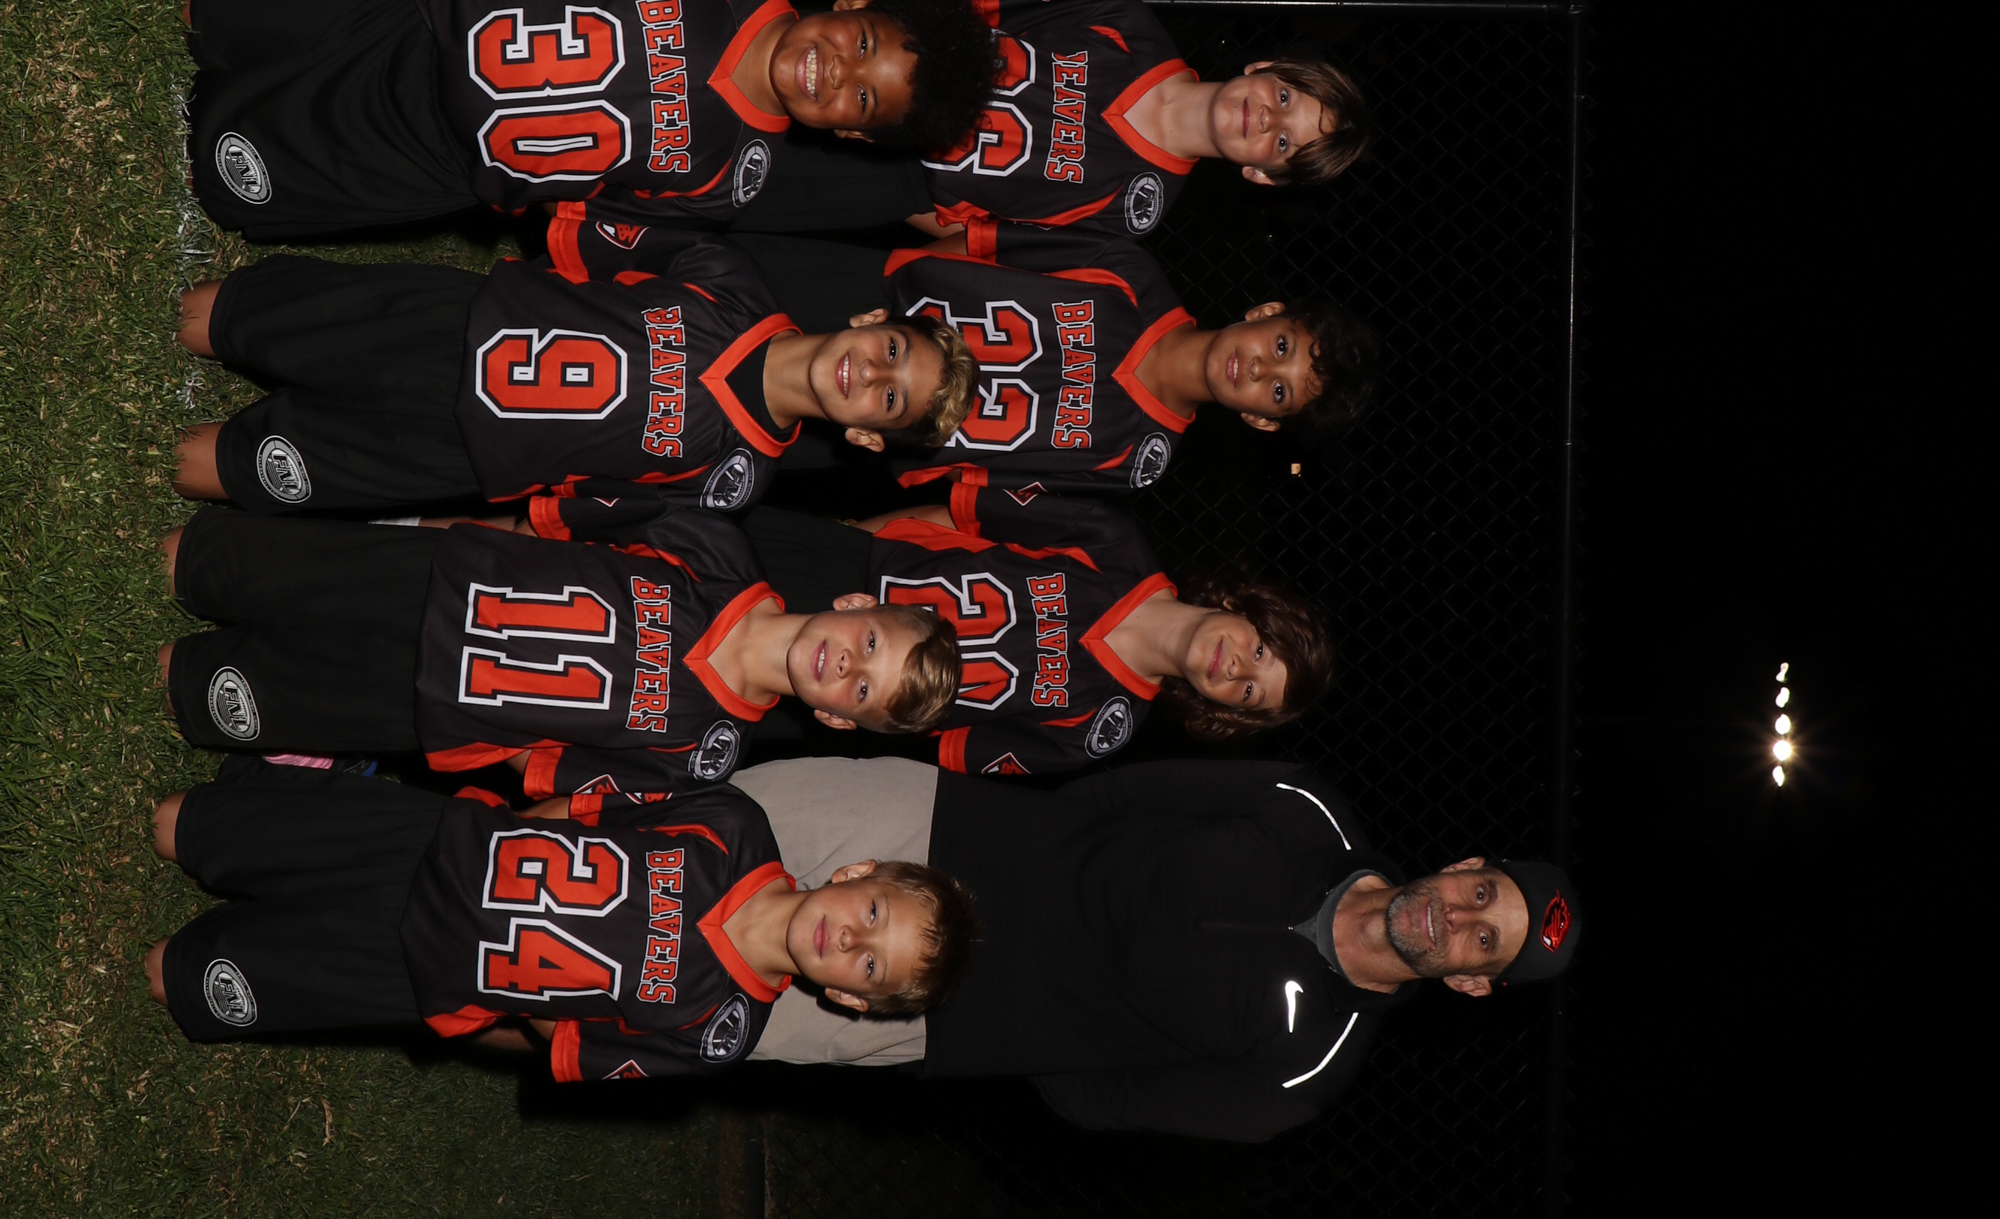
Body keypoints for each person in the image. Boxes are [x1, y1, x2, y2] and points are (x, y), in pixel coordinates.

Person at [723, 755, 1580, 1142]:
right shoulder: (1303, 808)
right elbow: (1126, 793)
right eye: (1480, 894)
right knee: (707, 825)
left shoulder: (1301, 1075)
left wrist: (1015, 1020)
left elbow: (1100, 1102)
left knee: (697, 1002)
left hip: (917, 1009)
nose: (1457, 919)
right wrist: (1031, 849)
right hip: (937, 833)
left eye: (1484, 941)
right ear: (1463, 868)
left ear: (1472, 983)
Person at [185, 0, 998, 242]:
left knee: (215, 180)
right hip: (414, 6)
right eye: (863, 45)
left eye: (863, 100)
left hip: (426, 158)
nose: (836, 73)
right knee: (201, 2)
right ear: (857, 2)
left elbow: (579, 207)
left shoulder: (732, 178)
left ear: (853, 136)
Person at [143, 762, 978, 1074]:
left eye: (871, 964)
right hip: (430, 849)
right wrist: (503, 849)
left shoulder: (720, 1031)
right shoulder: (735, 823)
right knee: (174, 825)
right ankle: (286, 785)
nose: (852, 938)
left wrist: (504, 987)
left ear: (851, 1000)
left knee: (169, 976)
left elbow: (566, 1044)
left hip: (423, 973)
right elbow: (584, 807)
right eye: (874, 912)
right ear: (857, 872)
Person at [159, 500, 960, 788]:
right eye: (869, 641)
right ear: (856, 603)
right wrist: (418, 534)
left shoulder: (702, 754)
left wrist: (474, 725)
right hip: (421, 578)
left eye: (861, 689)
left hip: (415, 705)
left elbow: (542, 766)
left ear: (837, 720)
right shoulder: (716, 548)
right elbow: (542, 527)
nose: (847, 664)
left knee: (179, 686)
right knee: (190, 562)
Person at [169, 244, 977, 525]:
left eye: (890, 397)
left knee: (205, 464)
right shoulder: (728, 276)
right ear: (874, 317)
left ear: (866, 435)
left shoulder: (734, 478)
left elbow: (581, 507)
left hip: (450, 451)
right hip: (450, 323)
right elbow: (583, 241)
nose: (872, 372)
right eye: (892, 349)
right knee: (206, 317)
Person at [558, 221, 1379, 492]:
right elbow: (977, 242)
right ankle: (548, 276)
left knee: (641, 432)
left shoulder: (1136, 460)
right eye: (1280, 348)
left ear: (1261, 422)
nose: (1259, 370)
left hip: (858, 426)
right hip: (864, 307)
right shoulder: (1129, 276)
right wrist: (882, 286)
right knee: (652, 304)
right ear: (1265, 314)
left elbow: (979, 489)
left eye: (1278, 392)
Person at [745, 487, 1335, 776]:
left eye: (1249, 691)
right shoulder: (1113, 541)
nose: (1238, 667)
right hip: (847, 574)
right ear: (1243, 607)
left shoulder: (1100, 728)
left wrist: (848, 712)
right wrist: (843, 540)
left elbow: (941, 746)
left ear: (1225, 710)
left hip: (830, 694)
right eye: (1261, 649)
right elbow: (960, 517)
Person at [900, 0, 1369, 237]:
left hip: (897, 177)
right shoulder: (1126, 22)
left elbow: (976, 237)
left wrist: (887, 192)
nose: (1268, 118)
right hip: (892, 63)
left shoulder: (1133, 211)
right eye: (1284, 98)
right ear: (1265, 67)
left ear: (1262, 175)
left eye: (1284, 142)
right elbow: (975, 6)